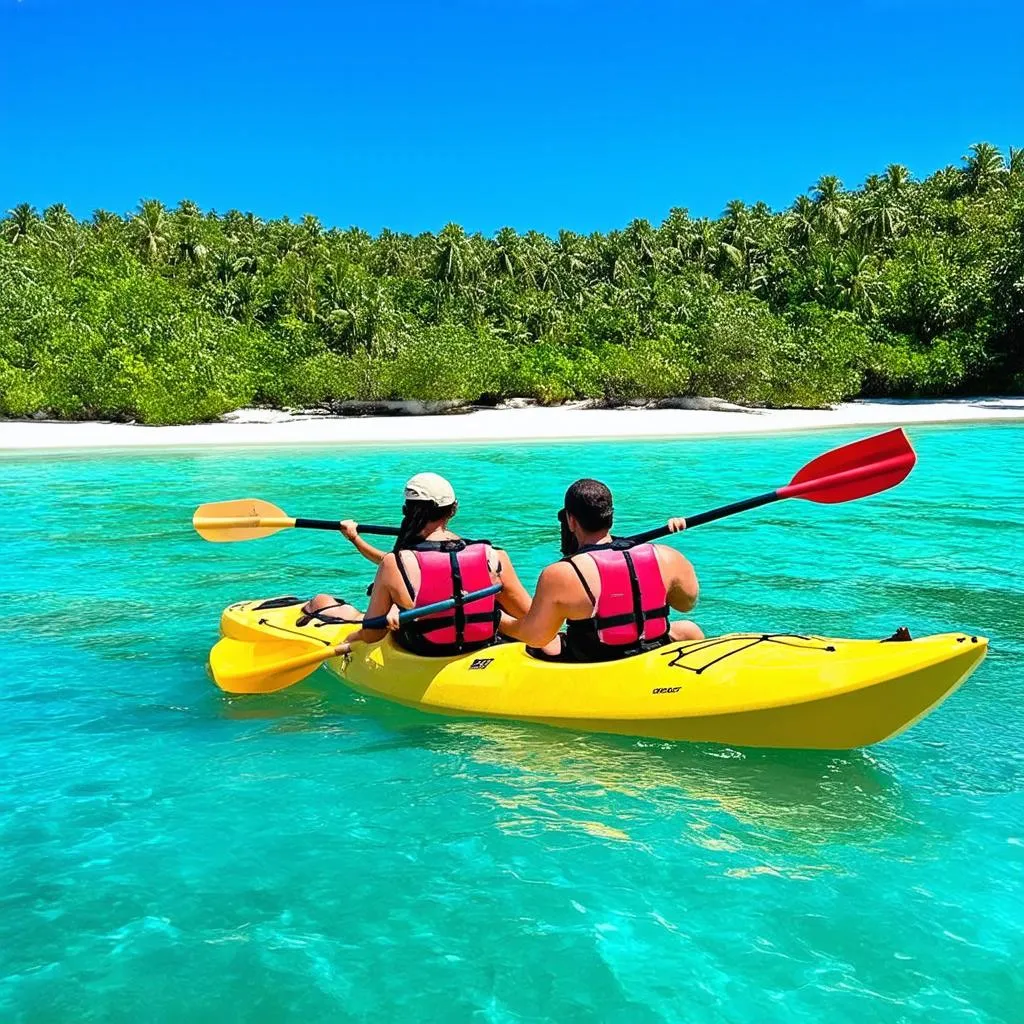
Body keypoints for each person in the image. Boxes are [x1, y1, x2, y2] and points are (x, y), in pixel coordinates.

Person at [300, 473, 531, 656]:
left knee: (322, 601)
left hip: (425, 649)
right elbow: (528, 616)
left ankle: (318, 607)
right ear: (453, 509)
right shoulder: (494, 556)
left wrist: (355, 637)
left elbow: (372, 634)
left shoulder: (396, 563)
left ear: (406, 510)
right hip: (482, 643)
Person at [499, 478, 703, 662]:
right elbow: (686, 603)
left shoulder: (561, 573)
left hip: (597, 662)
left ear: (571, 520)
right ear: (610, 516)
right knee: (687, 628)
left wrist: (501, 621)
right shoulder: (668, 556)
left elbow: (536, 637)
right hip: (653, 647)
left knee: (544, 646)